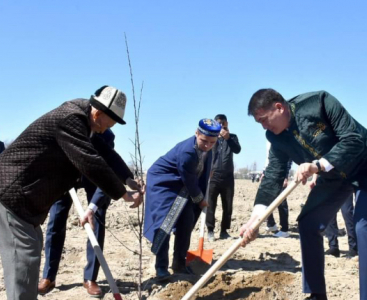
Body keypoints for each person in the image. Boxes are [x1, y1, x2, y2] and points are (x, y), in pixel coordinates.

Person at [240, 89, 367, 300]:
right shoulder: (275, 137)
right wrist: (256, 216)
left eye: (264, 119)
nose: (264, 126)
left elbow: (353, 139)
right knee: (308, 223)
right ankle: (316, 294)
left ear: (279, 107)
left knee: (363, 229)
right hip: (334, 177)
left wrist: (317, 165)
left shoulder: (319, 103)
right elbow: (273, 175)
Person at [0, 85, 144, 300]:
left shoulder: (87, 121)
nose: (105, 131)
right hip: (15, 195)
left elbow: (105, 153)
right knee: (24, 260)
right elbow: (90, 161)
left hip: (29, 202)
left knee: (29, 256)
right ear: (98, 114)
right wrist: (123, 194)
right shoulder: (70, 118)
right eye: (107, 125)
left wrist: (128, 178)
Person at [37, 129, 142, 297]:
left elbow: (111, 164)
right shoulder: (67, 128)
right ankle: (48, 276)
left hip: (93, 176)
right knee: (55, 221)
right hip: (64, 176)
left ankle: (90, 278)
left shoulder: (106, 136)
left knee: (98, 216)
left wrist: (128, 179)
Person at [143, 119, 221, 280]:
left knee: (186, 221)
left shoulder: (210, 149)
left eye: (212, 142)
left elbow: (201, 174)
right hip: (163, 183)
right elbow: (190, 180)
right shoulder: (187, 152)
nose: (207, 145)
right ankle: (161, 267)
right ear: (196, 133)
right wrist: (200, 199)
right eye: (204, 141)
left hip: (182, 187)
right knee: (165, 223)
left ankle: (179, 263)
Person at [206, 114, 241, 242]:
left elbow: (237, 150)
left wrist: (228, 138)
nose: (221, 125)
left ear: (227, 123)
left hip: (228, 177)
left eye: (223, 123)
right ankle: (210, 230)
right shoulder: (211, 138)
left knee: (228, 205)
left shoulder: (232, 137)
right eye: (218, 123)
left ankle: (224, 231)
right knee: (210, 205)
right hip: (213, 177)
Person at [263, 142, 293, 238]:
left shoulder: (283, 137)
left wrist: (285, 176)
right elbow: (268, 158)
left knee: (282, 202)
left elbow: (289, 157)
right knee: (266, 199)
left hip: (280, 174)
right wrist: (264, 171)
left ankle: (284, 229)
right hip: (270, 172)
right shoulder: (269, 139)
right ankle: (271, 224)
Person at [322, 191, 357, 258]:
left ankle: (353, 247)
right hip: (330, 183)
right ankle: (333, 246)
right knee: (329, 212)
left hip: (345, 183)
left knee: (347, 212)